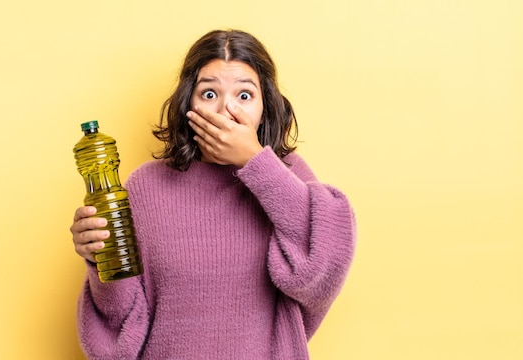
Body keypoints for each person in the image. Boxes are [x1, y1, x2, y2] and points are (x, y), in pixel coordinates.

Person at [70, 29, 356, 359]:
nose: (226, 111)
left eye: (245, 96)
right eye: (209, 94)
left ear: (266, 106)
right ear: (187, 102)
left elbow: (324, 268)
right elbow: (119, 329)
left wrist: (255, 161)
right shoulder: (145, 188)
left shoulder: (287, 175)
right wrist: (100, 258)